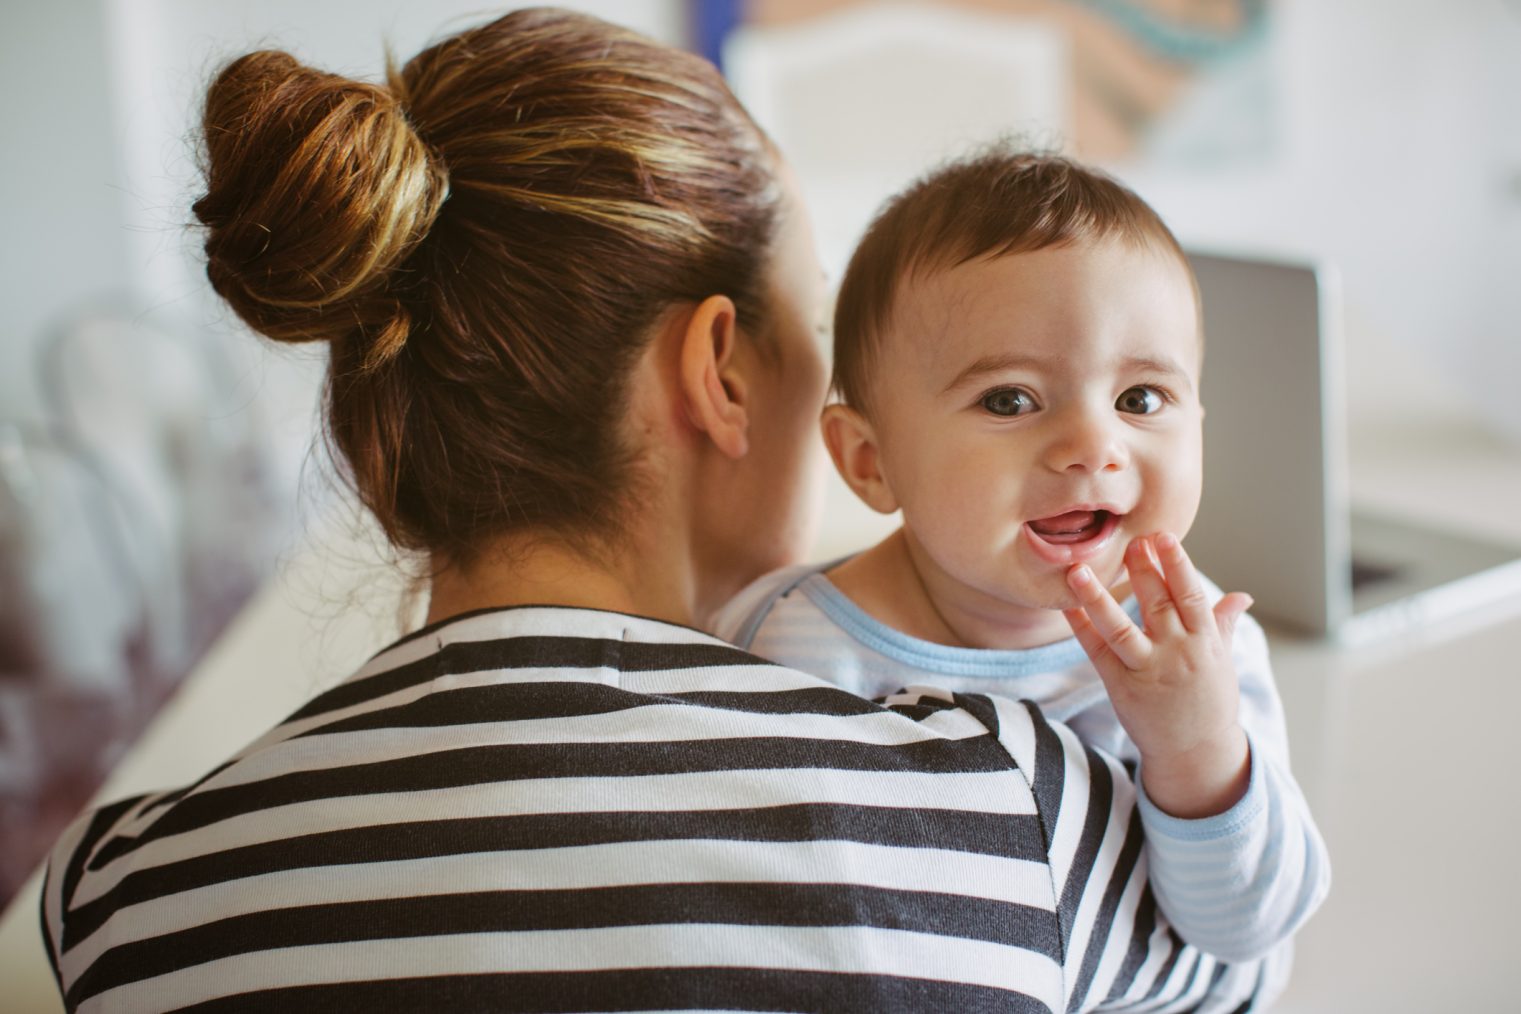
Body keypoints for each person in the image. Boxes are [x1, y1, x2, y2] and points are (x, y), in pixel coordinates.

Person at [46, 9, 1246, 1011]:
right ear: (718, 372)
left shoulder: (117, 895)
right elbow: (1238, 965)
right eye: (811, 331)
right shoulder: (1008, 817)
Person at [716, 149, 1332, 1005]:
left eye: (1140, 399)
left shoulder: (1199, 657)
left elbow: (1246, 930)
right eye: (1009, 399)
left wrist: (1194, 749)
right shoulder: (776, 647)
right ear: (869, 460)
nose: (1092, 446)